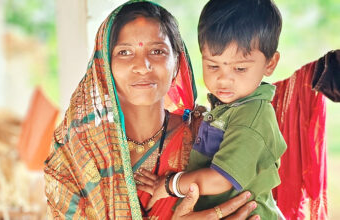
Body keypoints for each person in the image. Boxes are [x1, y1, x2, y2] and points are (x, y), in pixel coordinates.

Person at [43, 1, 258, 219]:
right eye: (125, 52)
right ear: (104, 67)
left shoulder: (208, 135)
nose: (142, 65)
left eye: (157, 51)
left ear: (177, 62)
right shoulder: (77, 154)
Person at [145, 0, 286, 219]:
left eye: (240, 68)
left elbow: (220, 179)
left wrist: (170, 185)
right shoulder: (228, 108)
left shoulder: (251, 117)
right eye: (213, 65)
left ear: (270, 64)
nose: (223, 79)